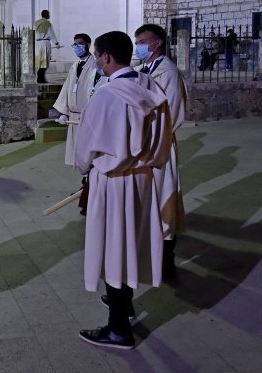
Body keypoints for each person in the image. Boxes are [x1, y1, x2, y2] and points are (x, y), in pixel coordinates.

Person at [75, 31, 173, 349]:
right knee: (131, 244)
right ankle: (126, 306)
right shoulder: (151, 87)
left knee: (113, 249)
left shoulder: (106, 96)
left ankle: (118, 329)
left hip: (114, 183)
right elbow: (164, 138)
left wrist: (86, 169)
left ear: (105, 57)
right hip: (144, 179)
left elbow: (84, 152)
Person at [134, 23, 188, 280]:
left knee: (163, 200)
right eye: (137, 41)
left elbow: (174, 113)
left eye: (142, 41)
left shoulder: (168, 73)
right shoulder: (143, 70)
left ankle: (167, 262)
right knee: (147, 201)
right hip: (143, 147)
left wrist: (152, 136)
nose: (139, 46)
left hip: (161, 145)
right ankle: (149, 251)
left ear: (156, 43)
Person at [53, 33, 98, 205]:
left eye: (79, 44)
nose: (76, 47)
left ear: (87, 44)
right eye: (74, 45)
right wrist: (63, 111)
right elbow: (67, 87)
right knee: (78, 154)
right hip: (73, 116)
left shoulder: (94, 65)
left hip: (86, 117)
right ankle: (85, 184)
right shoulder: (75, 65)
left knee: (88, 154)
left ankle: (89, 188)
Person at [34, 9, 59, 83]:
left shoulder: (36, 23)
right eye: (48, 14)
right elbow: (51, 34)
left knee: (40, 60)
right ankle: (40, 77)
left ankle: (40, 76)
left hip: (38, 44)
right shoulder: (47, 23)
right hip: (45, 43)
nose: (49, 15)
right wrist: (56, 43)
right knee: (45, 60)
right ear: (45, 15)